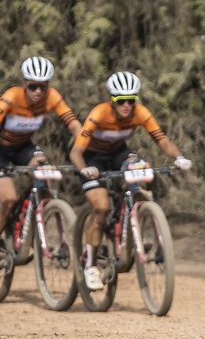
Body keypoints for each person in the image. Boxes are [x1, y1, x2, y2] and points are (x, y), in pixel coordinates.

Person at [70, 71, 191, 292]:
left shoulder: (140, 112)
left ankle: (136, 219)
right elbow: (76, 151)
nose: (127, 105)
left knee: (140, 172)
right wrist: (84, 169)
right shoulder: (99, 114)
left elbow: (161, 139)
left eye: (131, 100)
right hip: (92, 158)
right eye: (121, 101)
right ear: (111, 100)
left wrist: (179, 157)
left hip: (119, 154)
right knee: (101, 207)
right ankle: (90, 265)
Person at [0, 56, 82, 279]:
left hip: (24, 148)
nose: (37, 91)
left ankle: (29, 225)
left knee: (44, 170)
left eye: (42, 87)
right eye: (32, 86)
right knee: (8, 198)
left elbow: (73, 123)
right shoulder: (11, 97)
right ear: (24, 83)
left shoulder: (52, 98)